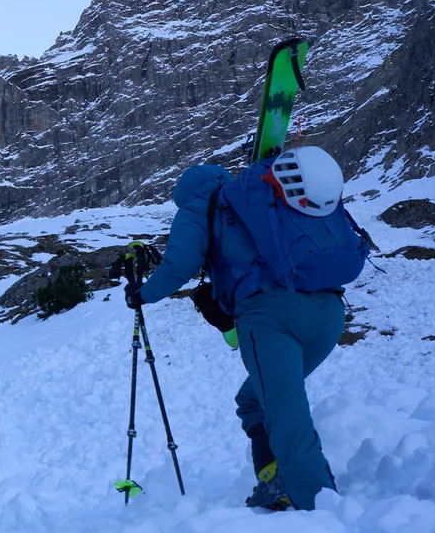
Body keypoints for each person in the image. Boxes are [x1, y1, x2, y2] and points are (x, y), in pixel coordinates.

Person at [128, 145, 368, 513]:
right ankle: (275, 480)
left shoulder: (200, 205)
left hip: (272, 317)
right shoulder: (259, 196)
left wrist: (141, 295)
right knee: (254, 399)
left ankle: (319, 507)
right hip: (329, 311)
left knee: (286, 415)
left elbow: (180, 265)